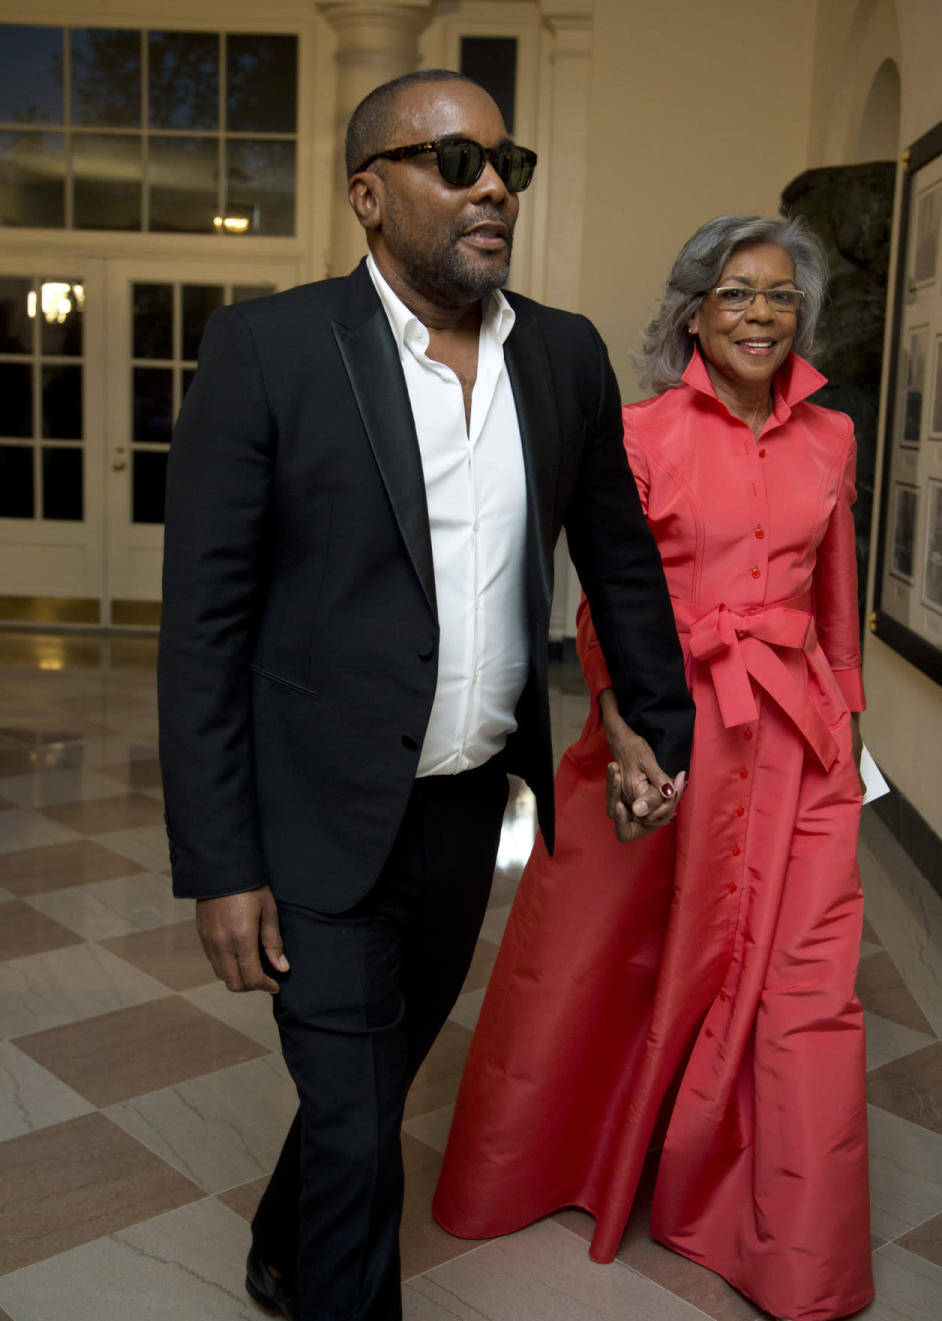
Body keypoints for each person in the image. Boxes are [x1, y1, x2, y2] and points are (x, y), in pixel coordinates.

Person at [158, 69, 694, 1321]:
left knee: (374, 1079)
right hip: (312, 821)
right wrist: (219, 863)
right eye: (455, 163)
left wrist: (648, 716)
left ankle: (285, 1244)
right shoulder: (270, 349)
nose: (493, 185)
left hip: (465, 817)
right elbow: (204, 632)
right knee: (361, 1134)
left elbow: (616, 553)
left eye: (508, 164)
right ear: (367, 193)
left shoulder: (561, 355)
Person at [433, 215, 874, 1321]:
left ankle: (778, 1236)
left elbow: (835, 605)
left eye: (780, 296)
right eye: (735, 294)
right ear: (691, 311)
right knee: (593, 953)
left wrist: (848, 731)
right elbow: (606, 602)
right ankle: (546, 1163)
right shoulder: (636, 433)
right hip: (668, 727)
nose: (761, 315)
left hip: (796, 740)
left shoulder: (833, 438)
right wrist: (625, 727)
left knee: (798, 984)